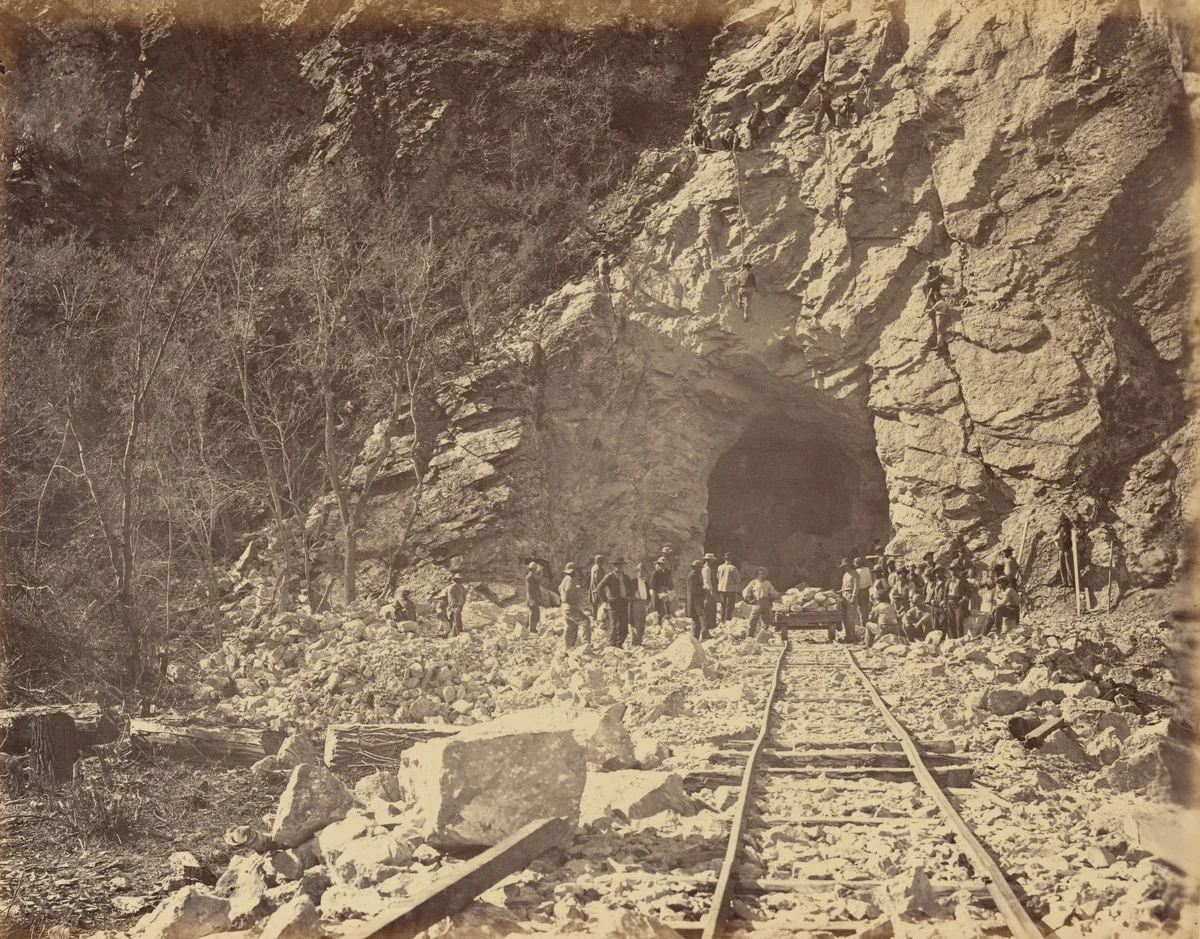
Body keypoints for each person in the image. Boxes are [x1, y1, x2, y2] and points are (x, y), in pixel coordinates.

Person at [597, 557, 633, 648]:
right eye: (617, 565)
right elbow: (599, 588)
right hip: (613, 604)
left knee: (624, 626)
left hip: (623, 603)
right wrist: (606, 599)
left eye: (621, 565)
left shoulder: (626, 577)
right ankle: (612, 645)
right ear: (614, 566)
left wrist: (629, 597)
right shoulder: (609, 576)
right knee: (613, 626)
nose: (620, 567)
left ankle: (619, 644)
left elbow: (633, 589)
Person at [743, 568, 779, 639]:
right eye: (759, 574)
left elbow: (773, 592)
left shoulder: (768, 583)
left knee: (766, 619)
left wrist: (778, 595)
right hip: (757, 602)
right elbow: (746, 591)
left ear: (765, 575)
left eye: (762, 574)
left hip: (766, 601)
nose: (761, 575)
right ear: (757, 575)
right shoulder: (753, 582)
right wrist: (748, 599)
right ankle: (749, 635)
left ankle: (763, 635)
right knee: (753, 619)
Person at [560, 562, 589, 650]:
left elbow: (559, 588)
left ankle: (567, 646)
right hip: (570, 606)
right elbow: (568, 590)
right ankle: (585, 644)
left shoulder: (565, 579)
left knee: (570, 625)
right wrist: (572, 599)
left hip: (564, 606)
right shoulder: (569, 579)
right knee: (585, 621)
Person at [630, 562, 651, 647]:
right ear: (637, 571)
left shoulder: (645, 583)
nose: (643, 573)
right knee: (635, 623)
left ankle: (639, 640)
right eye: (641, 571)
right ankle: (635, 642)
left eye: (644, 571)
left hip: (643, 604)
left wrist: (647, 603)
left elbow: (648, 595)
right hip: (635, 604)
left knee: (642, 623)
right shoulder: (633, 581)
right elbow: (629, 593)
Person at [650, 556, 674, 628]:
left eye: (664, 564)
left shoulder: (666, 572)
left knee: (667, 603)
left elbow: (669, 581)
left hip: (665, 590)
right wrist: (659, 589)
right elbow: (652, 583)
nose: (662, 565)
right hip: (658, 591)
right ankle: (659, 623)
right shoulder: (656, 572)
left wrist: (669, 587)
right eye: (661, 564)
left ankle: (665, 621)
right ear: (659, 565)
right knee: (660, 607)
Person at [717, 553, 742, 622]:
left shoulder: (720, 567)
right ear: (731, 559)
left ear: (725, 559)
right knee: (729, 605)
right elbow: (738, 579)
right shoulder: (733, 568)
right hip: (730, 589)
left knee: (723, 605)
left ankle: (722, 620)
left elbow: (718, 577)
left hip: (721, 589)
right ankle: (727, 620)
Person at [686, 559, 707, 639]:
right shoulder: (693, 576)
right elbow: (693, 589)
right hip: (694, 600)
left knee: (697, 619)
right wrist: (704, 590)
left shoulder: (697, 574)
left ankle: (695, 638)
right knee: (699, 617)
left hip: (696, 599)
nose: (701, 569)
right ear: (695, 568)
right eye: (699, 567)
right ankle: (698, 637)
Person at [839, 557, 857, 643]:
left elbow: (856, 586)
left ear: (850, 565)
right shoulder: (845, 575)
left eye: (846, 566)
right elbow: (844, 587)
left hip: (850, 595)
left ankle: (852, 636)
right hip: (844, 596)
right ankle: (847, 636)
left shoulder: (855, 573)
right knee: (844, 618)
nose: (844, 568)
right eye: (843, 566)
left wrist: (853, 596)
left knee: (850, 618)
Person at [853, 556, 873, 635]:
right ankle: (867, 624)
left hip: (860, 591)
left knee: (860, 609)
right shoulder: (867, 569)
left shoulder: (857, 571)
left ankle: (863, 626)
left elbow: (856, 584)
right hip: (867, 590)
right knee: (866, 607)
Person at [702, 553, 720, 636]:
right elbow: (707, 580)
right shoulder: (707, 569)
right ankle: (711, 625)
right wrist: (711, 590)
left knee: (710, 607)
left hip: (707, 589)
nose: (713, 561)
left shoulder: (704, 568)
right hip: (708, 589)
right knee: (711, 606)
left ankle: (710, 624)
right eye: (712, 560)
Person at [445, 573, 467, 638]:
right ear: (456, 580)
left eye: (461, 579)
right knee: (455, 619)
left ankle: (456, 633)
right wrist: (454, 605)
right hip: (455, 606)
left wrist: (462, 603)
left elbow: (464, 595)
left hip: (460, 605)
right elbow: (451, 597)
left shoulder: (462, 587)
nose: (460, 581)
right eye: (459, 579)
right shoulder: (452, 587)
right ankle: (458, 631)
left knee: (458, 618)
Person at [1056, 516, 1075, 587]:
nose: (1064, 526)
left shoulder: (1069, 530)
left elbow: (1074, 532)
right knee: (1062, 566)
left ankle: (1070, 582)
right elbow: (1058, 539)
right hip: (1061, 549)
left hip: (1067, 550)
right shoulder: (1060, 529)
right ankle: (1065, 582)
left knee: (1069, 566)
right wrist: (1058, 546)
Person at [523, 562, 542, 633]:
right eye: (535, 568)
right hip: (531, 597)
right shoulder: (529, 577)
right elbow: (530, 589)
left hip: (534, 597)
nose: (536, 569)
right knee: (533, 612)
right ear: (533, 569)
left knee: (536, 612)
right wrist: (535, 597)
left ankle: (533, 628)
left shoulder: (533, 575)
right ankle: (531, 629)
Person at [589, 554, 608, 626]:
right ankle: (599, 618)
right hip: (597, 587)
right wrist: (601, 587)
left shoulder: (594, 567)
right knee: (600, 602)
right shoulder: (598, 568)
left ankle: (595, 617)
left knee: (595, 603)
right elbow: (598, 579)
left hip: (594, 586)